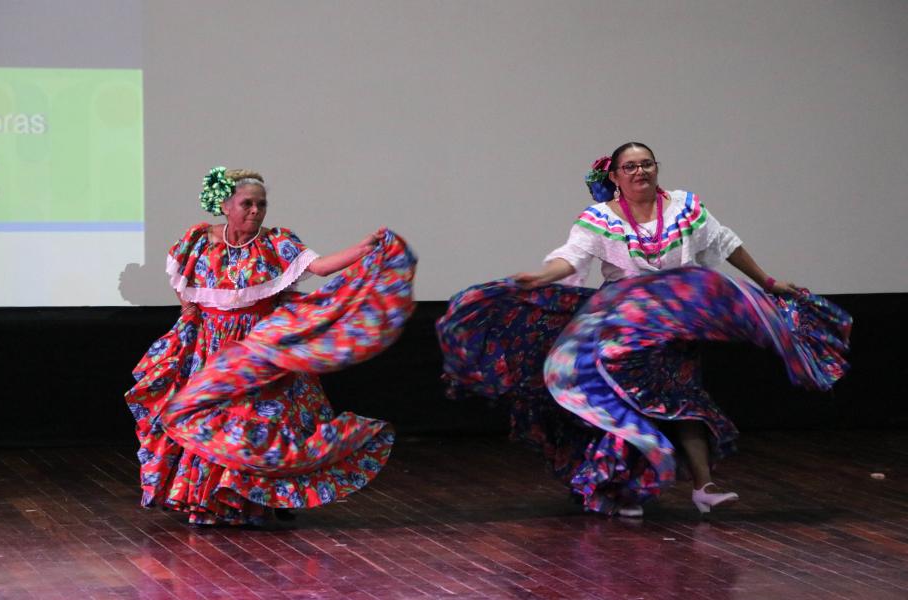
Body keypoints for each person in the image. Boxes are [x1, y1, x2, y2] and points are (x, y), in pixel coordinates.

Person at [438, 142, 850, 518]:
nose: (640, 172)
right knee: (628, 406)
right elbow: (572, 257)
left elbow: (726, 244)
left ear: (657, 168)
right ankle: (622, 488)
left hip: (675, 323)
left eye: (647, 164)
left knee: (685, 398)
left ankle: (704, 486)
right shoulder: (600, 219)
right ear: (614, 176)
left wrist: (767, 282)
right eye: (630, 167)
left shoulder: (684, 207)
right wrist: (543, 276)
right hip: (621, 326)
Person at [125, 167, 416, 526]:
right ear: (226, 206)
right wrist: (189, 311)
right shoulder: (198, 240)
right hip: (210, 346)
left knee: (260, 424)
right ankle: (212, 501)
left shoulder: (276, 243)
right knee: (209, 422)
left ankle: (262, 499)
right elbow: (182, 280)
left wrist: (364, 248)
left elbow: (321, 267)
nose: (255, 211)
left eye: (261, 204)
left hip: (259, 347)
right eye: (247, 204)